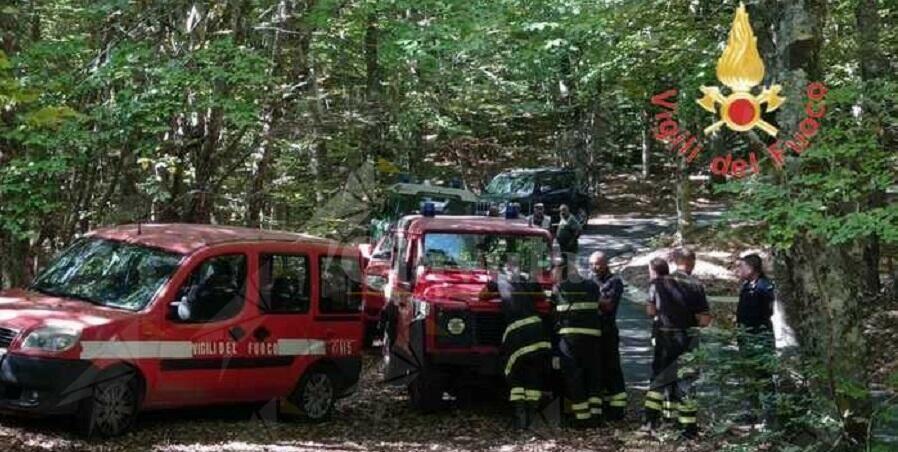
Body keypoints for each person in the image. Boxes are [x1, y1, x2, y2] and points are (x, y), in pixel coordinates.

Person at [643, 256, 710, 439]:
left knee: (658, 380)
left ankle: (650, 421)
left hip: (665, 337)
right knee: (686, 382)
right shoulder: (696, 286)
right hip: (687, 339)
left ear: (674, 263)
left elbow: (650, 311)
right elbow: (704, 320)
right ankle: (688, 428)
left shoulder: (658, 283)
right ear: (693, 263)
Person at [483, 254, 551, 429]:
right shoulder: (529, 280)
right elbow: (541, 296)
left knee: (513, 373)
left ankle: (520, 418)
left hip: (518, 334)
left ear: (505, 266)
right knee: (533, 372)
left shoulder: (499, 280)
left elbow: (482, 296)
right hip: (538, 331)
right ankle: (532, 417)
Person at [552, 261, 604, 427]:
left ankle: (582, 418)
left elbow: (553, 311)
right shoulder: (593, 286)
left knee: (574, 376)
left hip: (570, 338)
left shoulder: (560, 288)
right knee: (593, 374)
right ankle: (596, 415)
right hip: (593, 337)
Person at [735, 253, 776, 422]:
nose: (739, 270)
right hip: (746, 336)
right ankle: (750, 412)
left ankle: (770, 413)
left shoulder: (763, 287)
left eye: (742, 267)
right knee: (748, 374)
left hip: (760, 336)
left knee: (763, 375)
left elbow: (767, 311)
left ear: (751, 269)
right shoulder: (747, 286)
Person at [589, 251, 627, 421]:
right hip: (592, 332)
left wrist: (590, 295)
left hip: (608, 332)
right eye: (591, 264)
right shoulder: (589, 281)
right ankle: (600, 406)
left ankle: (618, 409)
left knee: (612, 368)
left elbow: (608, 306)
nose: (593, 267)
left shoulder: (615, 282)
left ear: (606, 264)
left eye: (597, 264)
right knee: (596, 369)